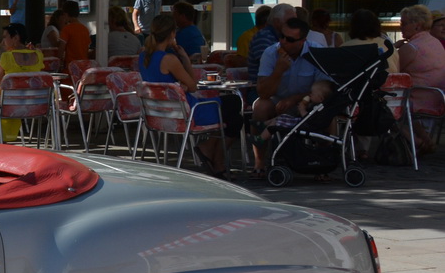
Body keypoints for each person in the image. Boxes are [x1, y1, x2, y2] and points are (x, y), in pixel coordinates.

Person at [138, 12, 232, 177]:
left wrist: (180, 87)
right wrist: (185, 60)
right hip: (187, 113)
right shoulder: (169, 59)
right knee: (234, 106)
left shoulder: (142, 56)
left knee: (232, 115)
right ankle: (211, 153)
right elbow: (193, 86)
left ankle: (215, 160)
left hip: (159, 114)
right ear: (173, 33)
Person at [251, 16, 332, 174]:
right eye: (281, 36)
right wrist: (278, 71)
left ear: (303, 40)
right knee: (260, 106)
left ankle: (324, 163)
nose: (283, 42)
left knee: (327, 110)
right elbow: (263, 92)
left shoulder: (317, 52)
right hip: (277, 101)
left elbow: (324, 88)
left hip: (308, 102)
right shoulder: (270, 53)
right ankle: (259, 162)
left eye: (289, 39)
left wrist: (296, 99)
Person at [0, 23, 46, 141]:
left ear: (16, 38)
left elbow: (0, 83)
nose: (3, 41)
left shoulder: (7, 57)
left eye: (5, 37)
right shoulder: (38, 55)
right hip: (36, 104)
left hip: (11, 104)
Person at [396, 3, 445, 128]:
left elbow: (391, 71)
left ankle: (419, 141)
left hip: (416, 101)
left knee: (380, 108)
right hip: (437, 99)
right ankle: (421, 139)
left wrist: (391, 48)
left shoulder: (411, 48)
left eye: (404, 23)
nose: (401, 27)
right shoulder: (436, 43)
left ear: (417, 27)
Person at [343, 8, 396, 77]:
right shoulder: (390, 47)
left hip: (359, 87)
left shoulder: (345, 48)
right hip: (390, 86)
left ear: (352, 27)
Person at [56, 1, 90, 66]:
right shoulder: (85, 29)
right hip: (83, 66)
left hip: (71, 66)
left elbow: (61, 49)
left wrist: (59, 62)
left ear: (66, 14)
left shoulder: (67, 29)